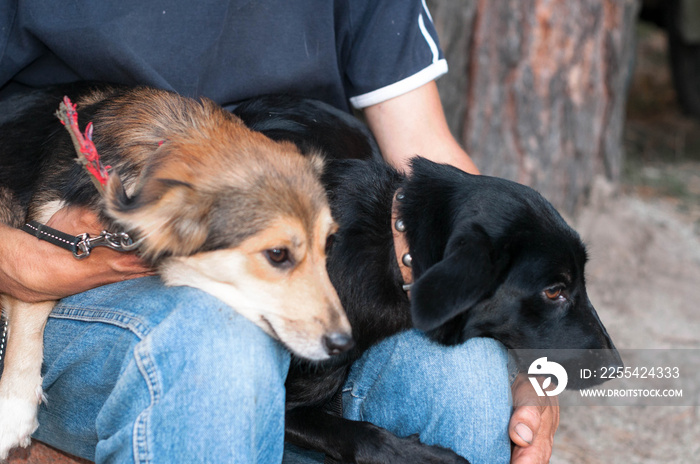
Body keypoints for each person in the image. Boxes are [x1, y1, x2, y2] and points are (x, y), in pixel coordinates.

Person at [0, 1, 558, 463]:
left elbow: (433, 155)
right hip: (60, 259)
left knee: (463, 378)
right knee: (219, 352)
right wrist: (16, 261)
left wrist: (546, 359)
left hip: (307, 240)